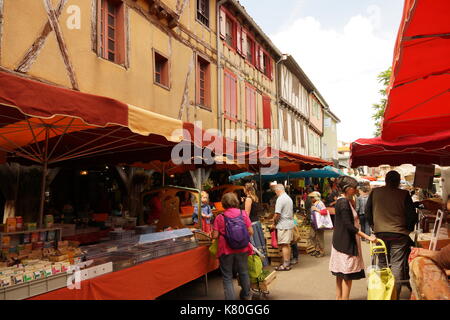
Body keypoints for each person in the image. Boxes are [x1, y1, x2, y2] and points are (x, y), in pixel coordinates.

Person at [365, 170, 417, 298]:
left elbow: (367, 212)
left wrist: (373, 226)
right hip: (399, 235)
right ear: (398, 181)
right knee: (397, 265)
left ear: (386, 180)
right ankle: (394, 295)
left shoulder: (375, 192)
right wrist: (407, 229)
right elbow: (412, 216)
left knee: (382, 263)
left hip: (380, 234)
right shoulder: (404, 194)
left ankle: (383, 293)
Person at [329, 176, 377, 300]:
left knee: (340, 275)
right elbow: (349, 226)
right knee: (347, 276)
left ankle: (339, 298)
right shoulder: (344, 202)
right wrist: (368, 237)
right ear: (348, 189)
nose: (356, 190)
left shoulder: (342, 200)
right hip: (346, 244)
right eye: (354, 188)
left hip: (340, 242)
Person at [212, 192, 254, 300]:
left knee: (227, 277)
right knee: (244, 272)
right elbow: (251, 231)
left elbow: (215, 235)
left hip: (225, 250)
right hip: (243, 248)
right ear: (236, 201)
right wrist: (241, 238)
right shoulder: (243, 213)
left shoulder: (219, 217)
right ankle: (246, 295)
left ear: (223, 203)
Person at [273, 184, 295, 271]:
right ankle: (287, 263)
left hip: (283, 225)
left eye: (275, 191)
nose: (275, 193)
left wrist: (274, 222)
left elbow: (277, 213)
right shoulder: (288, 198)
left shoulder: (280, 199)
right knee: (287, 245)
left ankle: (285, 265)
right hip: (289, 224)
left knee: (284, 245)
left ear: (277, 190)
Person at [308, 191, 327, 258]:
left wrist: (316, 210)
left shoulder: (320, 203)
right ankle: (317, 249)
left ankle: (322, 252)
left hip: (319, 223)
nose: (311, 199)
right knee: (312, 236)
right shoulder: (314, 203)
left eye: (312, 197)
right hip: (313, 223)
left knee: (319, 238)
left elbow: (325, 212)